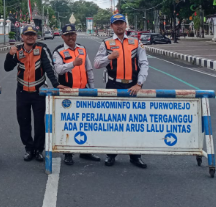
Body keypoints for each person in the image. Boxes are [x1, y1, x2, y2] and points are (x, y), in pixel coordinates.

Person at [94, 14, 149, 169]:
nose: (119, 26)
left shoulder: (136, 42)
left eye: (121, 23)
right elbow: (97, 63)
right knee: (113, 121)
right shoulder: (106, 43)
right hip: (113, 85)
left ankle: (135, 155)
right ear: (111, 26)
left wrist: (139, 83)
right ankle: (111, 153)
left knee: (133, 121)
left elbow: (144, 63)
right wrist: (109, 57)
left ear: (126, 25)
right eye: (116, 24)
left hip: (132, 86)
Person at [4, 25, 63, 162]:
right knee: (23, 121)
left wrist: (56, 84)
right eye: (27, 34)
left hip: (39, 91)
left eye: (33, 34)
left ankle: (39, 150)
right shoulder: (17, 50)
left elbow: (49, 67)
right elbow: (7, 68)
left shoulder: (42, 48)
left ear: (36, 36)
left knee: (39, 122)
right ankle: (29, 148)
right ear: (22, 37)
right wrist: (9, 55)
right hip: (22, 91)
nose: (30, 37)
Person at [52, 24, 100, 166]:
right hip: (68, 92)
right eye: (67, 35)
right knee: (69, 124)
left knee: (85, 122)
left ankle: (86, 151)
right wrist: (73, 63)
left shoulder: (82, 49)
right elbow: (59, 70)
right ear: (63, 37)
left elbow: (89, 69)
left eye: (73, 34)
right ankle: (68, 153)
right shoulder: (58, 52)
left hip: (83, 91)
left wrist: (92, 89)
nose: (71, 37)